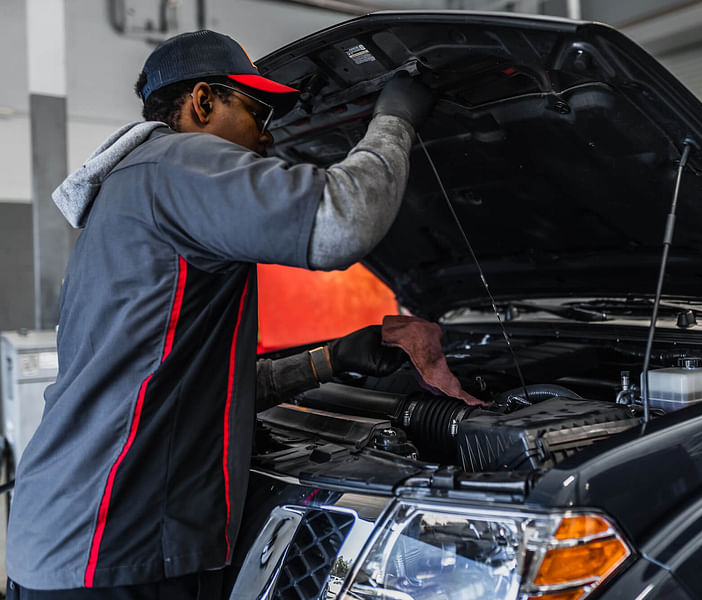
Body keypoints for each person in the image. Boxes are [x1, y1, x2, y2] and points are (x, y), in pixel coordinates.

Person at [6, 29, 432, 598]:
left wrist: (330, 359)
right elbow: (341, 220)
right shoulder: (178, 162)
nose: (268, 134)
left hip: (63, 535)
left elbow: (188, 387)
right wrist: (395, 118)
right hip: (117, 544)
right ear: (203, 102)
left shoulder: (127, 196)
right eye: (256, 111)